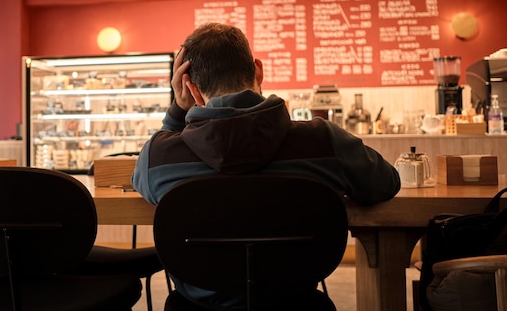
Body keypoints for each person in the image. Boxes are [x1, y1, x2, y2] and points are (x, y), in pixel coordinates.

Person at [131, 22, 401, 309]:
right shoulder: (324, 139)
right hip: (297, 303)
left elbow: (140, 182)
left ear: (189, 87)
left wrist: (176, 112)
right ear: (258, 70)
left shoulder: (159, 156)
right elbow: (386, 183)